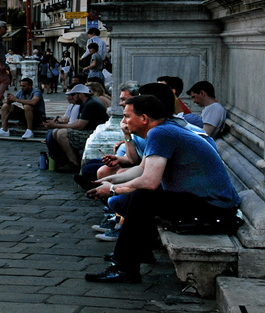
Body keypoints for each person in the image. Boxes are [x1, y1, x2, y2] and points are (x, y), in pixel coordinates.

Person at [83, 93, 241, 283]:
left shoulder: (161, 133)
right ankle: (139, 252)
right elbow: (140, 170)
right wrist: (109, 181)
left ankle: (124, 267)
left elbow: (149, 181)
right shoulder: (162, 129)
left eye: (127, 116)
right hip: (208, 202)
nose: (123, 121)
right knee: (140, 196)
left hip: (216, 207)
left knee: (143, 197)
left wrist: (114, 189)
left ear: (144, 119)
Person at [43, 84, 110, 170]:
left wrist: (55, 125)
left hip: (94, 133)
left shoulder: (91, 104)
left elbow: (80, 126)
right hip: (90, 130)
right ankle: (63, 160)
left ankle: (73, 162)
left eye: (74, 95)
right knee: (56, 131)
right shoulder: (85, 103)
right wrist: (59, 124)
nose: (72, 97)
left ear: (81, 95)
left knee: (61, 133)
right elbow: (77, 122)